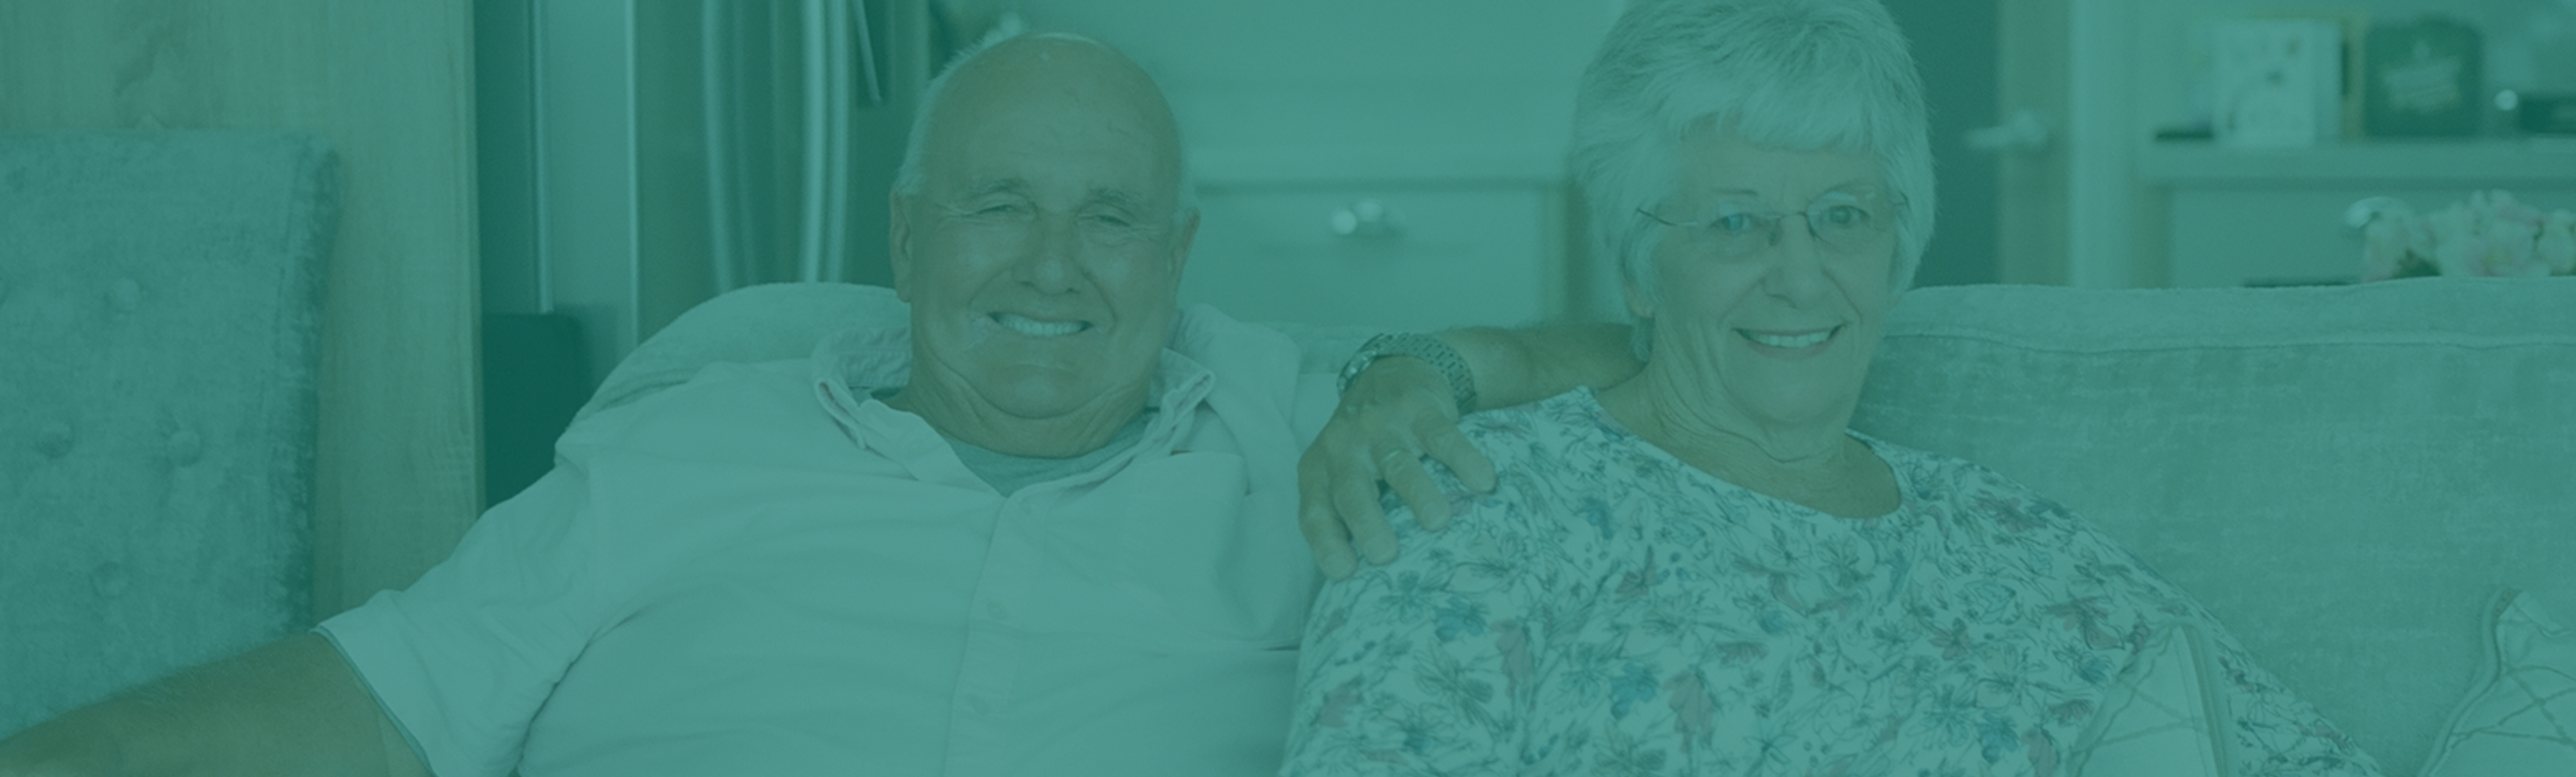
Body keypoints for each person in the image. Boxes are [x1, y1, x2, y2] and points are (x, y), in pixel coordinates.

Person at [0, 29, 1634, 777]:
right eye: (1001, 204)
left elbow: (1647, 359)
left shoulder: (1296, 428)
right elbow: (381, 700)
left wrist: (1427, 364)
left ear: (1179, 256)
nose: (1055, 267)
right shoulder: (685, 442)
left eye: (1113, 217)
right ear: (906, 234)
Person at [1280, 0, 2388, 774]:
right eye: (1736, 222)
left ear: (1897, 243)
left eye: (1843, 215)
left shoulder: (2015, 541)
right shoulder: (1478, 505)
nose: (1800, 273)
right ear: (1636, 263)